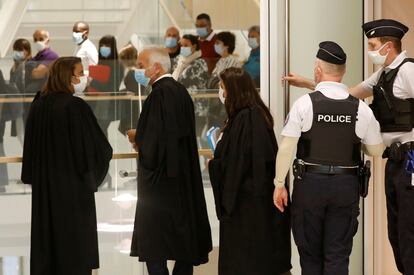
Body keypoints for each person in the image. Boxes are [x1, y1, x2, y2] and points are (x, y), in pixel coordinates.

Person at [283, 19, 414, 274]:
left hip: (410, 161)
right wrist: (312, 83)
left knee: (409, 233)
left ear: (388, 46)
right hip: (395, 162)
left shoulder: (408, 71)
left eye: (373, 45)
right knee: (398, 234)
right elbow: (348, 95)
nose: (370, 50)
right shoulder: (384, 74)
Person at [275, 41, 384, 275]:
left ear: (317, 70)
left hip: (310, 186)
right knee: (337, 255)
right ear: (344, 71)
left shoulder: (304, 104)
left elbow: (286, 148)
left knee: (310, 255)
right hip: (346, 187)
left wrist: (279, 184)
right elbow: (376, 151)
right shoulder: (361, 109)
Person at [21, 56, 113, 275]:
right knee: (74, 250)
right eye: (80, 73)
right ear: (68, 76)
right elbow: (101, 149)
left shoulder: (38, 104)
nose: (83, 77)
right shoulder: (75, 106)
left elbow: (30, 149)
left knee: (49, 248)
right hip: (73, 191)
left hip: (45, 192)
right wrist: (91, 177)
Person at [127, 46, 212, 275]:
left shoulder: (160, 94)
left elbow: (154, 143)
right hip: (181, 179)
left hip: (160, 185)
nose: (138, 70)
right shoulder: (179, 91)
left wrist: (137, 137)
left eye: (141, 65)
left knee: (156, 245)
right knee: (183, 243)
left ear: (156, 68)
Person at [208, 67, 292, 275]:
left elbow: (239, 163)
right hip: (250, 202)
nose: (222, 93)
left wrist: (216, 164)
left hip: (248, 205)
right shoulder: (249, 115)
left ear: (234, 90)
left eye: (223, 88)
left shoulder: (248, 118)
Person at [89, 35, 124, 136]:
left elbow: (112, 87)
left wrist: (92, 81)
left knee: (101, 130)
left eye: (107, 45)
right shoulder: (101, 63)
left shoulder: (117, 65)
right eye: (102, 45)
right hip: (96, 102)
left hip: (107, 103)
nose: (103, 47)